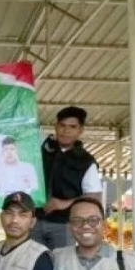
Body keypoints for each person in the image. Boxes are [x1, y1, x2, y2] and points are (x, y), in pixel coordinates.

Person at [32, 106, 104, 250]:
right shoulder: (42, 145)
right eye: (62, 125)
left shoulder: (86, 161)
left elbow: (95, 196)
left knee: (62, 261)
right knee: (32, 260)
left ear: (80, 130)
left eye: (72, 127)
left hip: (64, 224)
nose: (66, 131)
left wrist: (64, 203)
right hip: (32, 220)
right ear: (56, 126)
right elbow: (23, 127)